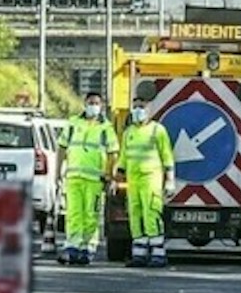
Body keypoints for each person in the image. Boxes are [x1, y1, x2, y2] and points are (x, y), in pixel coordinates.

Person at [56, 92, 119, 265]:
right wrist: (57, 173)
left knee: (91, 215)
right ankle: (72, 246)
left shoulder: (106, 128)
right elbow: (61, 148)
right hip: (74, 176)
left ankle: (88, 247)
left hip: (94, 179)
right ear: (85, 104)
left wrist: (111, 177)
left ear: (102, 106)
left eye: (97, 103)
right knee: (74, 213)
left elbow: (113, 154)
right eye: (90, 102)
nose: (93, 106)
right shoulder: (73, 123)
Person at [115, 97, 175, 267]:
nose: (138, 111)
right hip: (133, 180)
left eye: (141, 107)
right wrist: (118, 174)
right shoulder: (129, 132)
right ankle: (139, 254)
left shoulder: (158, 130)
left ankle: (158, 254)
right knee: (135, 215)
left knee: (152, 214)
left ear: (149, 110)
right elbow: (123, 157)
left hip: (151, 178)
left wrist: (169, 180)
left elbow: (167, 156)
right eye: (135, 107)